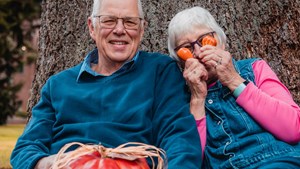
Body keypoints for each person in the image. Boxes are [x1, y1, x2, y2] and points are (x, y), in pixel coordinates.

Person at [10, 0, 203, 168]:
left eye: (129, 22)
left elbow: (179, 139)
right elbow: (25, 149)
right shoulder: (58, 85)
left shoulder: (160, 72)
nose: (119, 30)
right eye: (109, 20)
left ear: (142, 29)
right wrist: (52, 163)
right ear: (92, 28)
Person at [167, 6, 300, 169]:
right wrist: (197, 99)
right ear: (180, 62)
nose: (198, 51)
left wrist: (234, 81)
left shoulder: (254, 69)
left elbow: (293, 129)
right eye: (186, 49)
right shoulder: (180, 98)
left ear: (221, 41)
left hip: (276, 162)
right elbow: (187, 162)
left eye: (205, 40)